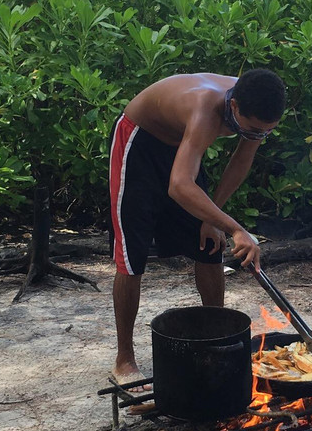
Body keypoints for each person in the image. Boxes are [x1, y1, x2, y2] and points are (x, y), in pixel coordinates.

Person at [109, 69, 286, 389]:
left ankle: (216, 338)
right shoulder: (207, 108)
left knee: (209, 246)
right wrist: (236, 229)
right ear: (234, 109)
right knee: (131, 258)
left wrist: (213, 219)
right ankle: (124, 359)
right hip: (138, 142)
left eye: (267, 132)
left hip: (182, 149)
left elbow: (241, 160)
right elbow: (179, 186)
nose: (259, 136)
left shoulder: (254, 106)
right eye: (255, 130)